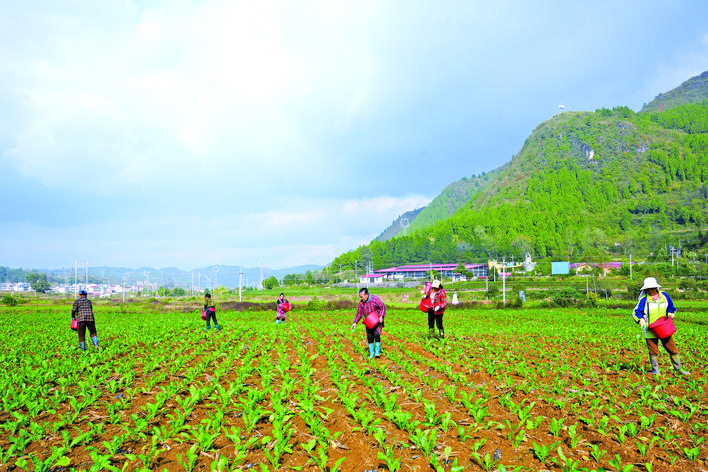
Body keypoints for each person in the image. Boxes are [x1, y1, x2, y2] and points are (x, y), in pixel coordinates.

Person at [632, 277, 688, 375]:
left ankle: (678, 369)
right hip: (650, 329)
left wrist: (670, 313)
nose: (650, 291)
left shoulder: (664, 296)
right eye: (648, 289)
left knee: (672, 348)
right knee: (653, 351)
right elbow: (636, 312)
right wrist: (641, 319)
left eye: (652, 288)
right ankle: (655, 371)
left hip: (664, 327)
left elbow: (671, 307)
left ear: (656, 288)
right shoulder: (644, 299)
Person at [351, 287, 386, 358]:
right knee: (370, 336)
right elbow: (359, 313)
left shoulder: (374, 299)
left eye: (362, 297)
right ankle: (371, 353)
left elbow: (383, 307)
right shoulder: (361, 303)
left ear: (366, 295)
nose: (361, 298)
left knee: (376, 334)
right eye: (360, 297)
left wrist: (381, 316)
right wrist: (355, 322)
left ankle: (377, 353)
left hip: (377, 320)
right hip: (369, 321)